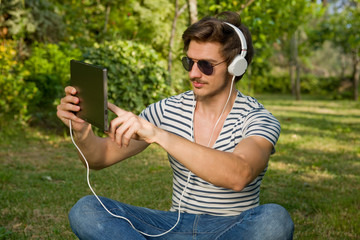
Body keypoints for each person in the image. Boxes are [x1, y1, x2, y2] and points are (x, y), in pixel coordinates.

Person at [57, 11, 294, 240]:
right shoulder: (166, 110)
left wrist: (160, 135)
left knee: (275, 220)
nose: (193, 73)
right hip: (173, 226)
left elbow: (239, 174)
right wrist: (82, 130)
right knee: (86, 209)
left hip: (232, 228)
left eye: (206, 65)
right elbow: (98, 158)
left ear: (236, 67)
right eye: (189, 62)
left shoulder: (258, 118)